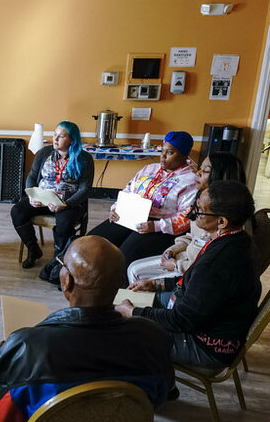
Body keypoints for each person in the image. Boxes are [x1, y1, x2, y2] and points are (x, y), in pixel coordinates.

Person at [0, 236, 174, 422]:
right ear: (120, 283)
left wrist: (1, 359)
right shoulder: (154, 336)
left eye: (62, 266)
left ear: (67, 281)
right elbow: (163, 395)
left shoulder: (27, 346)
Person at [116, 180, 261, 371]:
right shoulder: (236, 240)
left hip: (205, 345)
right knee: (128, 303)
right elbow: (197, 285)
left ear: (222, 221)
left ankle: (153, 389)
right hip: (204, 319)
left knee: (120, 332)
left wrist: (133, 313)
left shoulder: (218, 262)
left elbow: (181, 319)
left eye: (200, 210)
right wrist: (156, 283)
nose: (193, 214)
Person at [127, 152, 245, 285]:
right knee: (134, 267)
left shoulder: (228, 223)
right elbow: (192, 236)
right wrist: (173, 249)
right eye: (200, 168)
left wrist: (177, 265)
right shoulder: (202, 202)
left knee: (135, 270)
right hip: (184, 258)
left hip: (191, 270)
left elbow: (209, 264)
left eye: (205, 171)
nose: (198, 173)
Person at [87, 131, 199, 270]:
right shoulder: (150, 169)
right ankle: (84, 275)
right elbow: (128, 189)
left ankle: (111, 284)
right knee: (93, 241)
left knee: (124, 255)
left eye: (170, 153)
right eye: (162, 151)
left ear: (183, 155)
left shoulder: (190, 180)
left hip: (160, 226)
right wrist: (116, 208)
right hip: (130, 215)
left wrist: (156, 226)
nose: (162, 157)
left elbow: (186, 218)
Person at [12, 121, 94, 273]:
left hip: (68, 202)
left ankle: (58, 260)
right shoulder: (45, 153)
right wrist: (31, 195)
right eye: (55, 134)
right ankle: (33, 249)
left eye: (61, 136)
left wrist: (66, 204)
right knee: (17, 211)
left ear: (71, 140)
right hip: (43, 198)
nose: (55, 139)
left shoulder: (84, 159)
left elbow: (85, 189)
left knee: (64, 221)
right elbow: (31, 177)